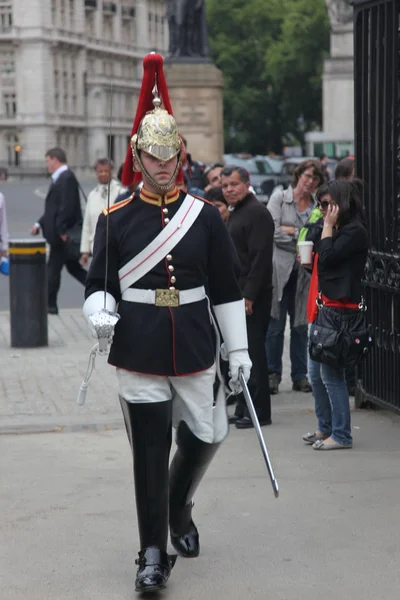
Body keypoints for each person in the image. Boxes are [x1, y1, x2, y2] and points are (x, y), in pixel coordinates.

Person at [82, 53, 251, 593]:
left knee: (210, 431)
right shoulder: (116, 217)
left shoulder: (203, 216)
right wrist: (99, 310)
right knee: (150, 450)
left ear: (181, 155)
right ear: (138, 155)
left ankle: (178, 505)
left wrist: (240, 351)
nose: (162, 165)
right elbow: (98, 285)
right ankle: (151, 552)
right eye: (152, 157)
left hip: (196, 342)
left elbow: (225, 287)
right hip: (138, 345)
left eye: (170, 155)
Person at [302, 179, 368, 450]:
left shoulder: (354, 231)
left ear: (342, 203)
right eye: (321, 205)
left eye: (328, 204)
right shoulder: (335, 228)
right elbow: (323, 261)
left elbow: (329, 258)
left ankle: (341, 435)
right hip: (323, 306)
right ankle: (325, 428)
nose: (324, 210)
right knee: (315, 374)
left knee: (331, 375)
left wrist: (327, 227)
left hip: (340, 311)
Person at [266, 159, 325, 394]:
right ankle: (273, 374)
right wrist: (299, 238)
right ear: (298, 175)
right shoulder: (279, 198)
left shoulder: (316, 206)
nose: (310, 182)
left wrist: (292, 231)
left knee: (301, 326)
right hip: (279, 272)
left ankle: (300, 376)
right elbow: (271, 229)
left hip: (303, 275)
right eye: (307, 176)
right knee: (275, 327)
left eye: (315, 179)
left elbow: (316, 235)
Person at [221, 165, 274, 429]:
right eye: (225, 186)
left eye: (234, 184)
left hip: (252, 297)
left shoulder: (257, 213)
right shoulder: (238, 212)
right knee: (239, 354)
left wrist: (249, 296)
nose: (229, 190)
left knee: (254, 353)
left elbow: (260, 259)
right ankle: (244, 406)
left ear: (246, 184)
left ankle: (260, 412)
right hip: (237, 295)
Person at [31, 148, 87, 315]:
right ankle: (99, 289)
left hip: (62, 236)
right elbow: (53, 209)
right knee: (72, 268)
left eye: (48, 161)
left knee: (53, 270)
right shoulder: (61, 177)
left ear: (55, 160)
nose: (47, 164)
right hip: (61, 234)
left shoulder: (66, 178)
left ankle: (50, 306)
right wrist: (38, 224)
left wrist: (61, 231)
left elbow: (67, 207)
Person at [80, 159, 124, 265]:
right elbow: (87, 224)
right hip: (97, 248)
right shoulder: (92, 195)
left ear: (111, 172)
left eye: (106, 171)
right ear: (96, 173)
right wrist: (85, 251)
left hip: (117, 248)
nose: (103, 174)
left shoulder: (121, 192)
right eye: (100, 171)